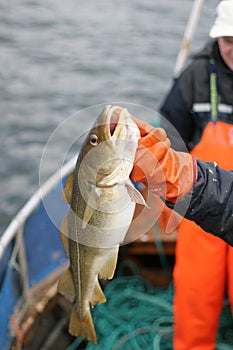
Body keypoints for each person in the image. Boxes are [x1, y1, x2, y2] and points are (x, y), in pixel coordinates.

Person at [156, 0, 233, 348]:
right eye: (229, 39)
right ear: (217, 37)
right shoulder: (195, 77)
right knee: (195, 295)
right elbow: (169, 140)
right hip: (202, 211)